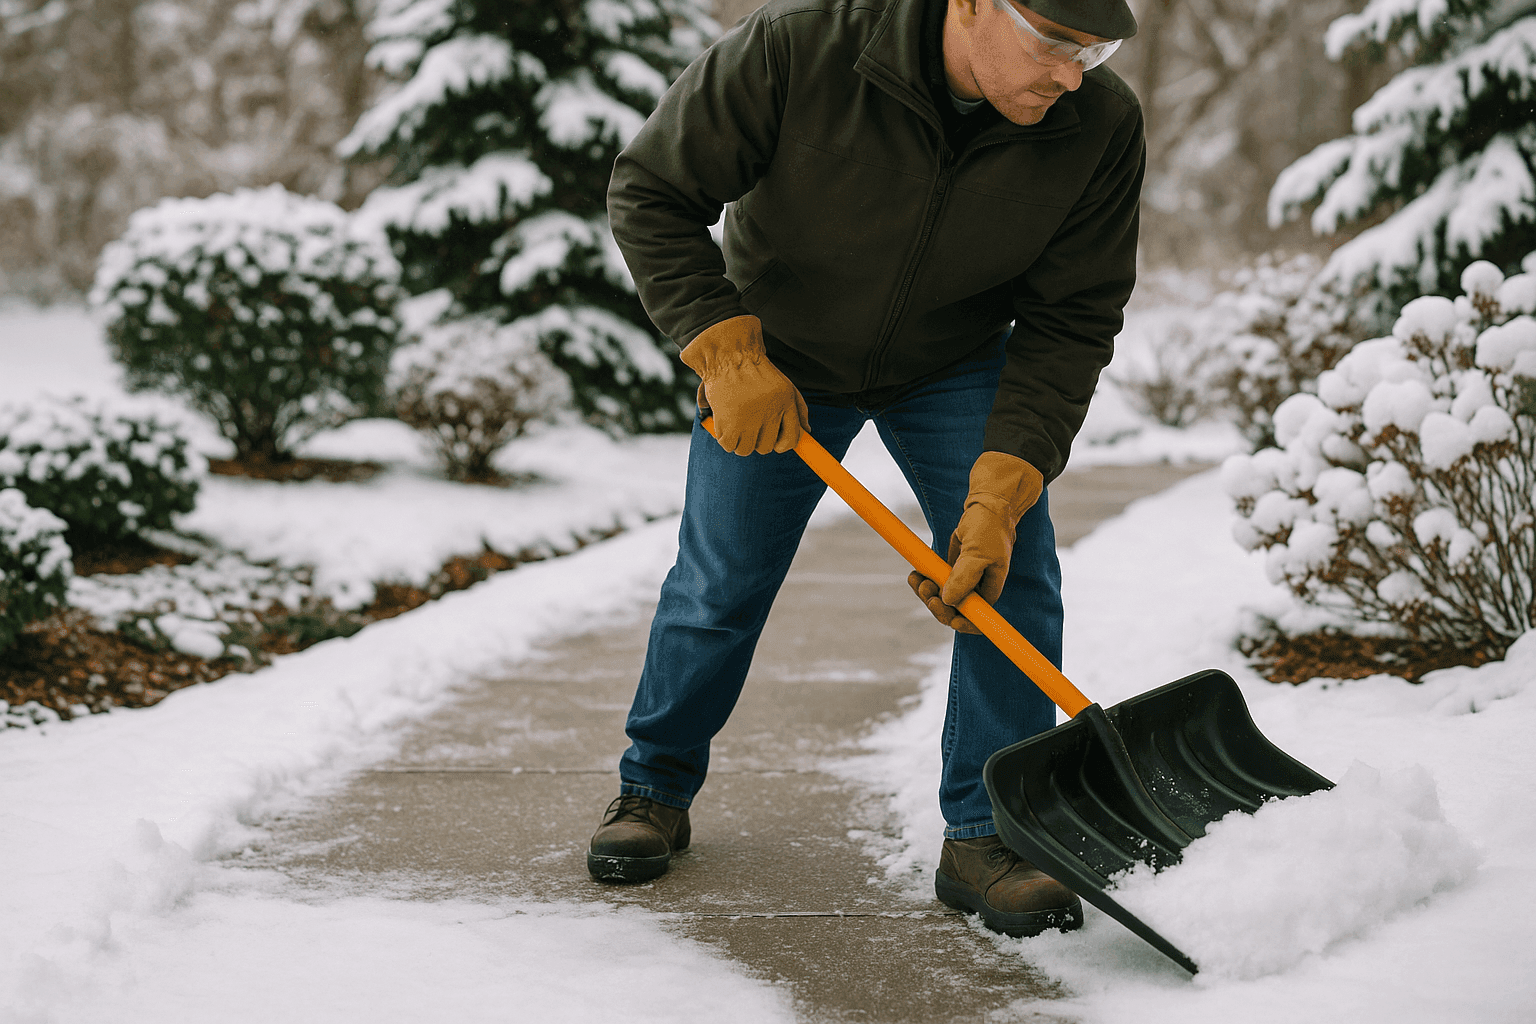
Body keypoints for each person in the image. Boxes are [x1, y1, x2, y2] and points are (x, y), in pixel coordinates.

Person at [590, 0, 1143, 939]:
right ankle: (652, 786)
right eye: (1055, 44)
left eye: (1097, 51)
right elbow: (651, 190)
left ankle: (986, 836)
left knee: (1011, 577)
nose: (1072, 76)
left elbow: (1074, 318)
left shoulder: (1098, 126)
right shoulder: (800, 50)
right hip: (778, 355)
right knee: (720, 579)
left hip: (956, 362)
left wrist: (1004, 487)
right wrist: (726, 354)